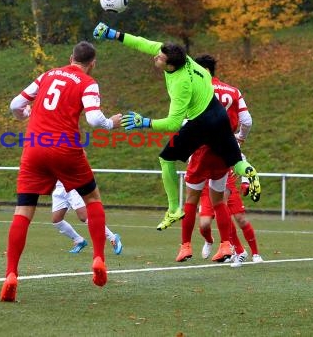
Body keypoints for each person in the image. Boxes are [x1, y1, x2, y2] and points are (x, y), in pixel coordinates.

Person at [93, 23, 262, 232]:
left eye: (160, 58)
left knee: (166, 158)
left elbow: (173, 124)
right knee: (236, 161)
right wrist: (113, 34)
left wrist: (143, 122)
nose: (156, 57)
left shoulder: (180, 84)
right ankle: (251, 172)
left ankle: (174, 209)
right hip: (219, 115)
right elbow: (141, 43)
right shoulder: (183, 59)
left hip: (201, 122)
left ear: (171, 66)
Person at [0, 41, 122, 302]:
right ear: (92, 64)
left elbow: (15, 104)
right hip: (65, 148)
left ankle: (11, 274)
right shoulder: (87, 82)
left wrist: (23, 115)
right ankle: (99, 258)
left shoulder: (47, 75)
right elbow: (93, 119)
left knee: (23, 212)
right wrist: (111, 123)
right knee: (92, 199)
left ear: (70, 57)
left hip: (34, 147)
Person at [175, 53, 255, 263]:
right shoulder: (233, 91)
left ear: (204, 71)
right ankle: (226, 245)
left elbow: (183, 124)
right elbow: (247, 120)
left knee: (191, 200)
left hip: (202, 151)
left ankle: (185, 246)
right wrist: (239, 139)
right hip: (224, 151)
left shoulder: (196, 91)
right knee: (219, 201)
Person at [198, 171, 264, 267]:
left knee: (240, 219)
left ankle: (254, 254)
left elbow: (241, 161)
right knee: (204, 224)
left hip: (227, 184)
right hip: (207, 188)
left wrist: (245, 181)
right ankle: (211, 242)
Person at [52, 180, 123, 255]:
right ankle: (79, 240)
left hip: (73, 187)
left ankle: (113, 238)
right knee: (57, 220)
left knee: (84, 217)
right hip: (59, 188)